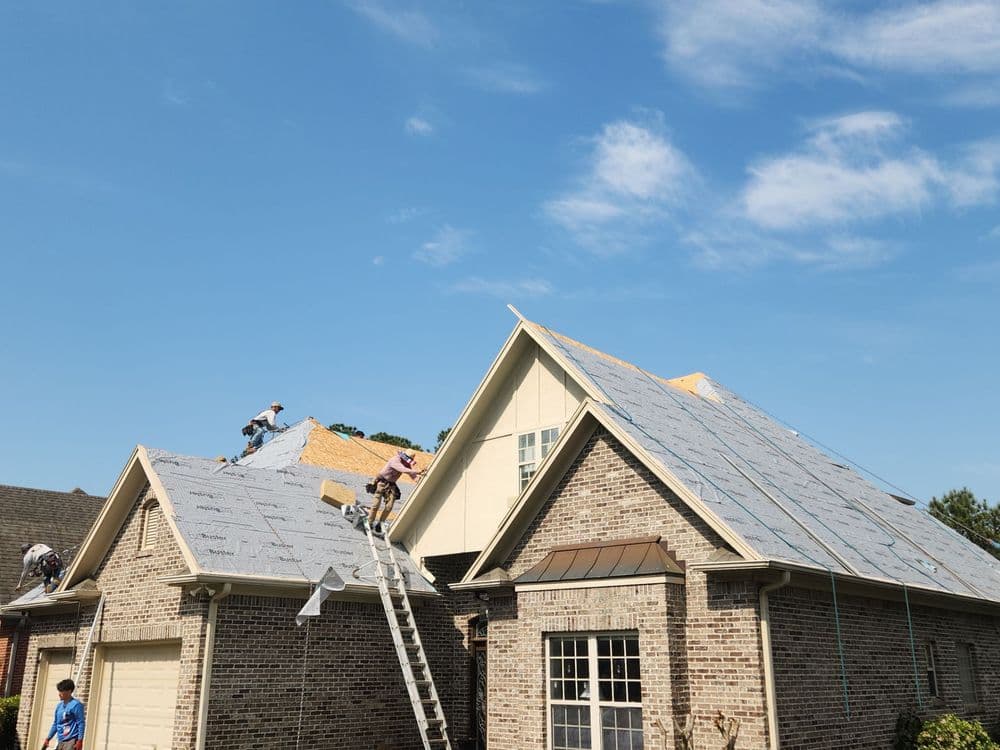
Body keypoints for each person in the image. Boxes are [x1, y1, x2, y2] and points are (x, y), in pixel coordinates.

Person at [369, 449, 425, 534]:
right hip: (381, 482)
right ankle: (369, 522)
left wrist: (418, 480)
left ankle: (380, 524)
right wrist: (417, 471)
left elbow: (411, 474)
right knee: (375, 505)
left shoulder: (406, 463)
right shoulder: (395, 460)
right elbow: (402, 469)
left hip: (391, 485)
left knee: (389, 507)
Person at [42, 678, 85, 750]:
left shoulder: (76, 705)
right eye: (59, 691)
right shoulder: (59, 706)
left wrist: (80, 740)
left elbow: (81, 723)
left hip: (71, 741)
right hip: (60, 740)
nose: (59, 694)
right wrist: (48, 738)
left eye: (62, 691)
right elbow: (56, 724)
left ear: (69, 691)